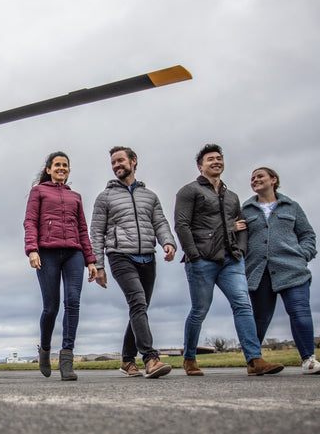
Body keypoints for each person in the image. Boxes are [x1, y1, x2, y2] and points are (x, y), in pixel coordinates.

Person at [174, 143, 284, 376]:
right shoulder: (189, 191)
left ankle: (254, 360)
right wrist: (193, 255)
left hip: (231, 260)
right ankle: (190, 358)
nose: (216, 162)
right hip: (201, 260)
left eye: (219, 158)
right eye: (210, 159)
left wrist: (241, 250)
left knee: (243, 305)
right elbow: (182, 225)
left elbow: (242, 226)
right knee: (199, 310)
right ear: (200, 166)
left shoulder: (232, 196)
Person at [90, 146, 176, 378]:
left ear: (133, 161)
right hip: (120, 255)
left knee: (140, 307)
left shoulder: (150, 196)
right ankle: (150, 358)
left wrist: (168, 242)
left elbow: (160, 222)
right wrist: (98, 265)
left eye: (120, 161)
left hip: (148, 256)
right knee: (137, 302)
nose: (117, 165)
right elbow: (96, 232)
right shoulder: (105, 197)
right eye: (113, 163)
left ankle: (127, 360)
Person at [23, 151, 97, 381]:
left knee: (72, 302)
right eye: (57, 165)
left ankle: (66, 360)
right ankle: (45, 350)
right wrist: (32, 249)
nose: (61, 168)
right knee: (51, 308)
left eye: (65, 165)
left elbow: (83, 230)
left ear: (69, 170)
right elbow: (30, 221)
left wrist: (90, 260)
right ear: (49, 169)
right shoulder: (38, 192)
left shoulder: (75, 196)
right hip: (47, 252)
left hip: (74, 253)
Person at [239, 167, 320, 374]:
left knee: (300, 312)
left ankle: (309, 360)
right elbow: (238, 240)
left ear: (273, 180)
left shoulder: (291, 206)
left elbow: (308, 235)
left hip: (292, 270)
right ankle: (253, 362)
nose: (255, 180)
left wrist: (302, 255)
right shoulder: (245, 209)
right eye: (252, 178)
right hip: (259, 272)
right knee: (260, 317)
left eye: (260, 176)